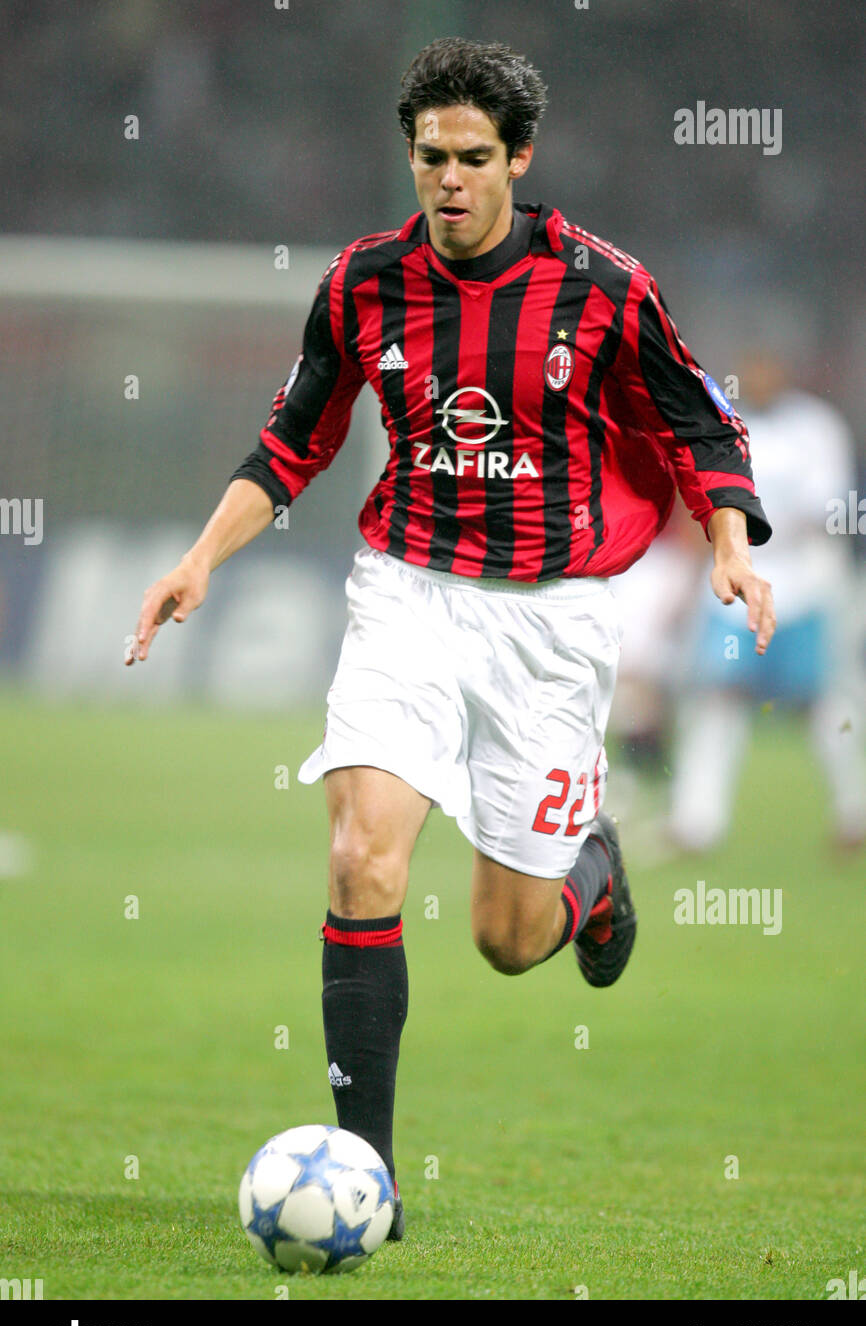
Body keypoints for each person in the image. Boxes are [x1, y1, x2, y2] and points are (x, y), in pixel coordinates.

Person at [127, 38, 775, 1240]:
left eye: (474, 158)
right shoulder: (362, 282)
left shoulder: (605, 286)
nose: (449, 181)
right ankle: (366, 1177)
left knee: (503, 938)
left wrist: (729, 543)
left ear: (518, 158)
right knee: (360, 859)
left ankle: (592, 871)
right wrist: (198, 559)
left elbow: (700, 426)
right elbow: (293, 439)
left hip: (552, 620)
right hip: (406, 595)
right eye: (429, 157)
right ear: (409, 155)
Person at [668, 345, 865, 852]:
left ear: (782, 369)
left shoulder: (815, 427)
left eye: (765, 365)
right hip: (733, 592)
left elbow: (827, 505)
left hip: (803, 587)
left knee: (826, 704)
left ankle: (853, 815)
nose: (757, 376)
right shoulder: (723, 423)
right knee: (715, 701)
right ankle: (696, 824)